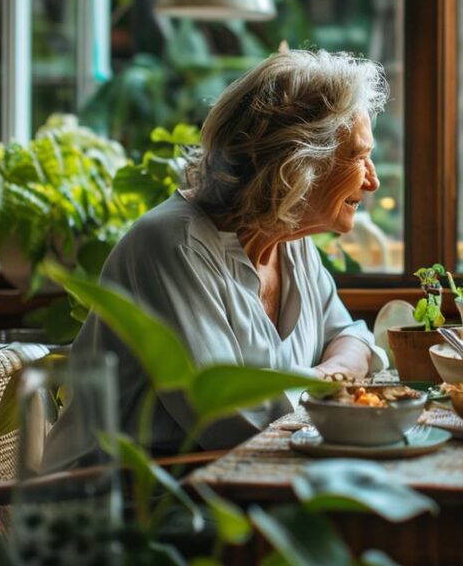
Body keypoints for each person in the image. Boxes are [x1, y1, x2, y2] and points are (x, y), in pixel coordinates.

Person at [45, 49, 389, 467]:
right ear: (295, 164)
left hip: (240, 479)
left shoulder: (290, 242)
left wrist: (324, 377)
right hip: (129, 501)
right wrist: (334, 376)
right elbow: (230, 418)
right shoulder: (173, 245)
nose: (372, 181)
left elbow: (355, 338)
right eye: (357, 155)